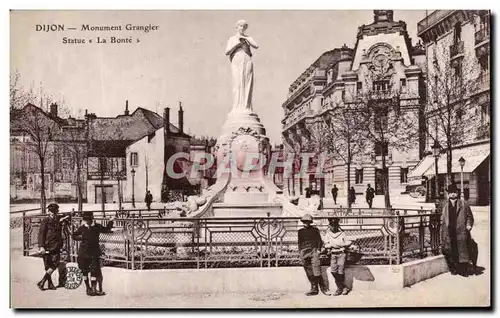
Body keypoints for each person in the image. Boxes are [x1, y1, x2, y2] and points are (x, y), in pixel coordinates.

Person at [73, 211, 114, 296]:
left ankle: (93, 288)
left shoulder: (97, 227)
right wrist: (81, 238)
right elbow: (74, 236)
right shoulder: (81, 228)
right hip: (83, 253)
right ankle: (88, 288)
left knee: (94, 270)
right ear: (84, 220)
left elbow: (106, 230)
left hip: (94, 253)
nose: (88, 221)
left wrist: (110, 221)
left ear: (92, 219)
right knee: (84, 271)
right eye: (86, 220)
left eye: (89, 219)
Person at [440, 184, 474, 277]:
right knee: (450, 251)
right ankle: (453, 268)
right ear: (448, 194)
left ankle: (463, 270)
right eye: (451, 192)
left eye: (454, 192)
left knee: (462, 251)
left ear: (457, 192)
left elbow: (469, 217)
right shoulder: (444, 204)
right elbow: (441, 218)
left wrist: (468, 225)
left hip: (461, 231)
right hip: (448, 232)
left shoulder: (464, 203)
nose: (453, 194)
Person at [225, 20, 259, 113]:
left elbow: (256, 45)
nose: (242, 28)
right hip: (237, 59)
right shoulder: (232, 38)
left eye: (244, 26)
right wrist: (237, 45)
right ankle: (237, 106)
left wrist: (245, 38)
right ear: (237, 27)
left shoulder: (248, 38)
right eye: (241, 26)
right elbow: (227, 52)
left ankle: (246, 107)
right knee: (238, 82)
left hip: (247, 59)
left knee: (247, 82)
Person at [37, 203, 69, 291]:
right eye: (51, 212)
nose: (53, 214)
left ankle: (43, 282)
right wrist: (41, 246)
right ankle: (47, 283)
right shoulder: (46, 221)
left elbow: (67, 216)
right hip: (47, 246)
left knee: (55, 264)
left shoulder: (58, 219)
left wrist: (64, 218)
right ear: (49, 212)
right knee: (48, 266)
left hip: (56, 246)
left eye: (55, 212)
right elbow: (41, 234)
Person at [298, 214, 330, 296]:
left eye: (308, 221)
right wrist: (300, 252)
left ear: (310, 222)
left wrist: (318, 250)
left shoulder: (315, 230)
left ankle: (324, 289)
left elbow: (319, 241)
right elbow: (300, 242)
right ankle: (314, 289)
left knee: (317, 270)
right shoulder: (300, 231)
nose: (306, 223)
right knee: (308, 271)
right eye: (304, 221)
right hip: (304, 252)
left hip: (314, 251)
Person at [323, 218, 352, 296]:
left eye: (335, 226)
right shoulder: (328, 234)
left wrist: (343, 244)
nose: (334, 227)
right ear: (329, 226)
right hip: (333, 254)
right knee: (333, 271)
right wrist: (332, 245)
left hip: (341, 254)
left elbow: (348, 242)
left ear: (337, 226)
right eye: (332, 226)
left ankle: (339, 289)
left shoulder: (342, 233)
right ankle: (343, 287)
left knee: (341, 270)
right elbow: (326, 244)